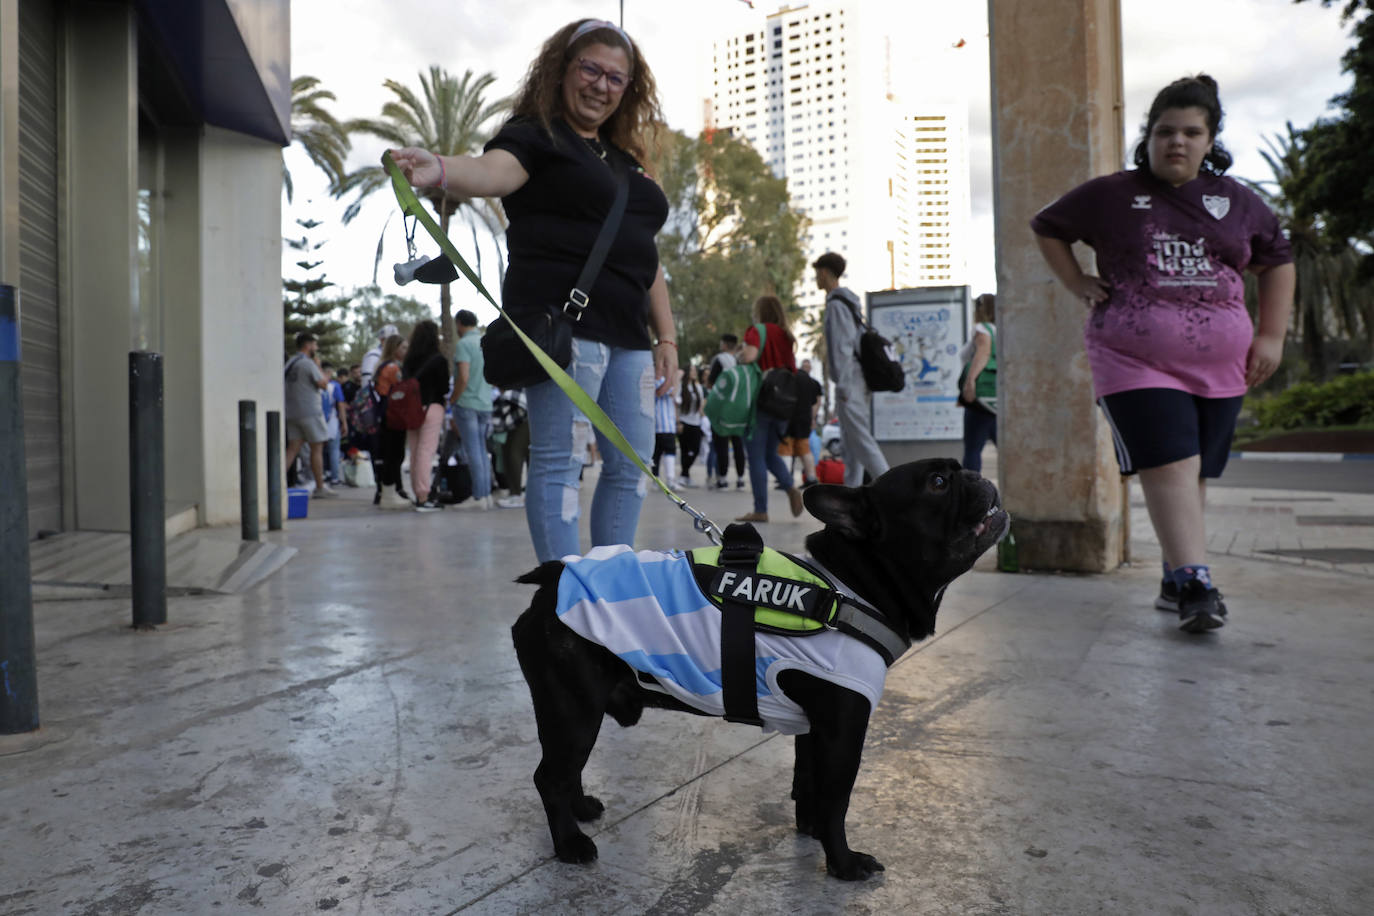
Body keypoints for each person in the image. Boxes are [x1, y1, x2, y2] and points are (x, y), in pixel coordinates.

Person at [391, 18, 677, 561]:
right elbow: (493, 172)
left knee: (633, 465)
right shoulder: (536, 136)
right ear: (562, 69)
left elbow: (644, 253)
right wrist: (440, 169)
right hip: (566, 328)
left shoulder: (625, 164)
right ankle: (564, 597)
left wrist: (668, 338)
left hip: (631, 337)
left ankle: (611, 592)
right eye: (590, 68)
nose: (601, 86)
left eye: (616, 78)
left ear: (628, 89)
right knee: (560, 461)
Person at [1030, 74, 1294, 634]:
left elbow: (1277, 260)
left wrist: (1271, 335)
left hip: (1223, 365)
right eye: (1164, 131)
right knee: (1170, 461)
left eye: (1191, 132)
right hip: (1132, 358)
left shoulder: (1237, 201)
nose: (1177, 142)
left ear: (1210, 139)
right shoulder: (1111, 194)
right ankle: (1198, 585)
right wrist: (1076, 280)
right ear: (1147, 137)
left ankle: (1176, 577)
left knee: (1190, 469)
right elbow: (1048, 226)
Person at [816, 251, 890, 487]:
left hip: (850, 381)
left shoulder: (837, 305)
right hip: (858, 380)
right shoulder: (848, 304)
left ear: (825, 273)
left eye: (817, 272)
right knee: (851, 446)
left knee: (861, 441)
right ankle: (852, 495)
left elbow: (841, 347)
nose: (816, 278)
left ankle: (891, 487)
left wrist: (842, 381)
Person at [735, 295, 804, 523]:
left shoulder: (757, 330)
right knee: (769, 453)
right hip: (784, 404)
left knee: (755, 456)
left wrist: (739, 355)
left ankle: (761, 509)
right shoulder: (786, 335)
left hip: (761, 401)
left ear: (761, 312)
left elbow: (751, 355)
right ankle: (790, 488)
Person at [401, 319, 451, 512]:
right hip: (432, 408)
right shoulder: (438, 359)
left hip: (411, 409)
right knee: (426, 452)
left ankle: (417, 493)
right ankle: (424, 496)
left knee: (414, 451)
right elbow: (444, 387)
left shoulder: (409, 359)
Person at [449, 309, 496, 511]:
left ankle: (478, 496)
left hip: (467, 403)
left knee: (473, 452)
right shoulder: (486, 342)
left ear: (459, 323)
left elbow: (464, 376)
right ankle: (485, 495)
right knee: (482, 451)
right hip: (486, 403)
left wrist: (453, 399)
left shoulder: (464, 344)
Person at [283, 332, 335, 500]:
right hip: (310, 411)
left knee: (292, 448)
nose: (316, 348)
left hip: (291, 412)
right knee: (317, 448)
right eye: (315, 345)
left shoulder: (290, 362)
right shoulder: (307, 363)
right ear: (308, 345)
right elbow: (323, 384)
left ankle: (274, 483)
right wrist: (319, 366)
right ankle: (320, 487)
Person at [371, 334, 412, 509]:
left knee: (390, 454)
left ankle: (389, 491)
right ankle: (390, 493)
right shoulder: (394, 369)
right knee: (394, 455)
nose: (406, 351)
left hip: (385, 415)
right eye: (403, 348)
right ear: (394, 349)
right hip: (394, 416)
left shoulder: (381, 366)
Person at [958, 294, 998, 473]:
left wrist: (970, 382)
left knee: (973, 449)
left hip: (981, 397)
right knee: (1005, 446)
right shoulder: (1000, 329)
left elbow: (983, 352)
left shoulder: (983, 328)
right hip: (998, 396)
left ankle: (970, 491)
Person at [705, 333, 746, 489]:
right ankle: (741, 479)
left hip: (722, 408)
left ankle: (722, 479)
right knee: (738, 444)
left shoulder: (720, 359)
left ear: (724, 344)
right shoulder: (740, 361)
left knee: (721, 444)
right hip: (739, 408)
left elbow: (711, 383)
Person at [781, 358, 822, 488]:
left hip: (789, 418)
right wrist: (812, 418)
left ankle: (786, 480)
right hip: (804, 419)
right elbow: (815, 402)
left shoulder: (788, 377)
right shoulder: (812, 382)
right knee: (805, 450)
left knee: (786, 449)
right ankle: (811, 478)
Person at [320, 361, 349, 485]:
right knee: (334, 450)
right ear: (329, 372)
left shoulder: (316, 385)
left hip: (318, 419)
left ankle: (322, 474)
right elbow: (340, 405)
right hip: (332, 420)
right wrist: (344, 423)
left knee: (319, 450)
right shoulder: (335, 386)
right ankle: (334, 477)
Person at [676, 364, 705, 487]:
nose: (694, 372)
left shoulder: (698, 387)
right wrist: (678, 422)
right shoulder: (680, 387)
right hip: (684, 422)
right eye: (692, 370)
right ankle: (685, 476)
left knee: (696, 449)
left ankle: (684, 473)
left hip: (696, 422)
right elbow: (676, 405)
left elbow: (701, 405)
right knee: (684, 450)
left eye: (695, 370)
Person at [651, 370, 678, 488]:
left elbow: (676, 398)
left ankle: (670, 479)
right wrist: (675, 378)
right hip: (659, 425)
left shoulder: (668, 381)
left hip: (668, 425)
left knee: (670, 451)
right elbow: (668, 391)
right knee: (656, 454)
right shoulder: (657, 381)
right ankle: (656, 480)